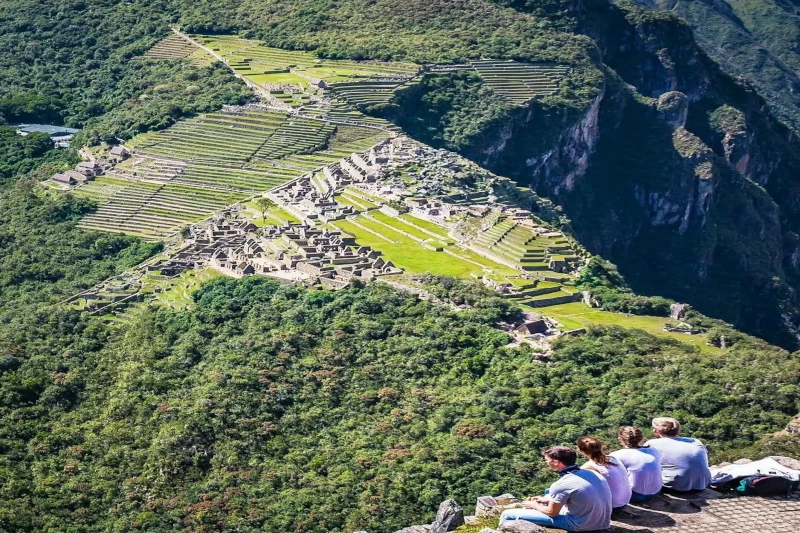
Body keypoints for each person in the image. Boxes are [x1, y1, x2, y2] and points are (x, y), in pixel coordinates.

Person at [499, 446, 612, 531]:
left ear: (556, 462)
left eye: (547, 460)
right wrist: (546, 499)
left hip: (581, 524)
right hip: (603, 522)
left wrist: (534, 505)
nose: (546, 462)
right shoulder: (591, 472)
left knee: (507, 514)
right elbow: (579, 493)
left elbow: (551, 512)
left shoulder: (561, 484)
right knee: (546, 498)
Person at [644, 417, 712, 492]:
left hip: (673, 486)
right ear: (678, 430)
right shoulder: (696, 441)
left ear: (656, 431)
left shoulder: (652, 443)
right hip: (702, 484)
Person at [576, 436, 632, 509]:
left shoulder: (588, 467)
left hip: (613, 505)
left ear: (582, 451)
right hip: (626, 498)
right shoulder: (614, 458)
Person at [610, 426, 663, 502]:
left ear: (620, 439)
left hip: (635, 495)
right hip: (656, 491)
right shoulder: (654, 451)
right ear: (641, 438)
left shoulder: (617, 455)